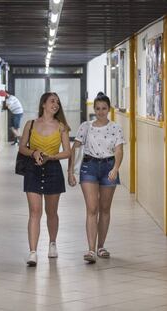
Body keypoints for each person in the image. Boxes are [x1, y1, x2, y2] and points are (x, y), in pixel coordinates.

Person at [68, 92, 124, 263]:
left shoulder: (115, 127)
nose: (101, 112)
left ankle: (101, 246)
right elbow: (75, 148)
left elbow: (119, 150)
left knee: (104, 208)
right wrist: (70, 171)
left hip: (108, 167)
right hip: (89, 167)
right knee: (92, 208)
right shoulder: (86, 126)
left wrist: (115, 168)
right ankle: (91, 250)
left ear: (109, 109)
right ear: (94, 109)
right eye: (98, 108)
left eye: (104, 108)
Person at [18, 92, 71, 266]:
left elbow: (68, 151)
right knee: (34, 211)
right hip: (33, 169)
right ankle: (33, 252)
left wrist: (52, 157)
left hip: (53, 169)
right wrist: (34, 152)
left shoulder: (61, 126)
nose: (55, 104)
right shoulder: (30, 124)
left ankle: (52, 243)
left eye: (57, 102)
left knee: (51, 212)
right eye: (52, 101)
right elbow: (22, 147)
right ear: (43, 104)